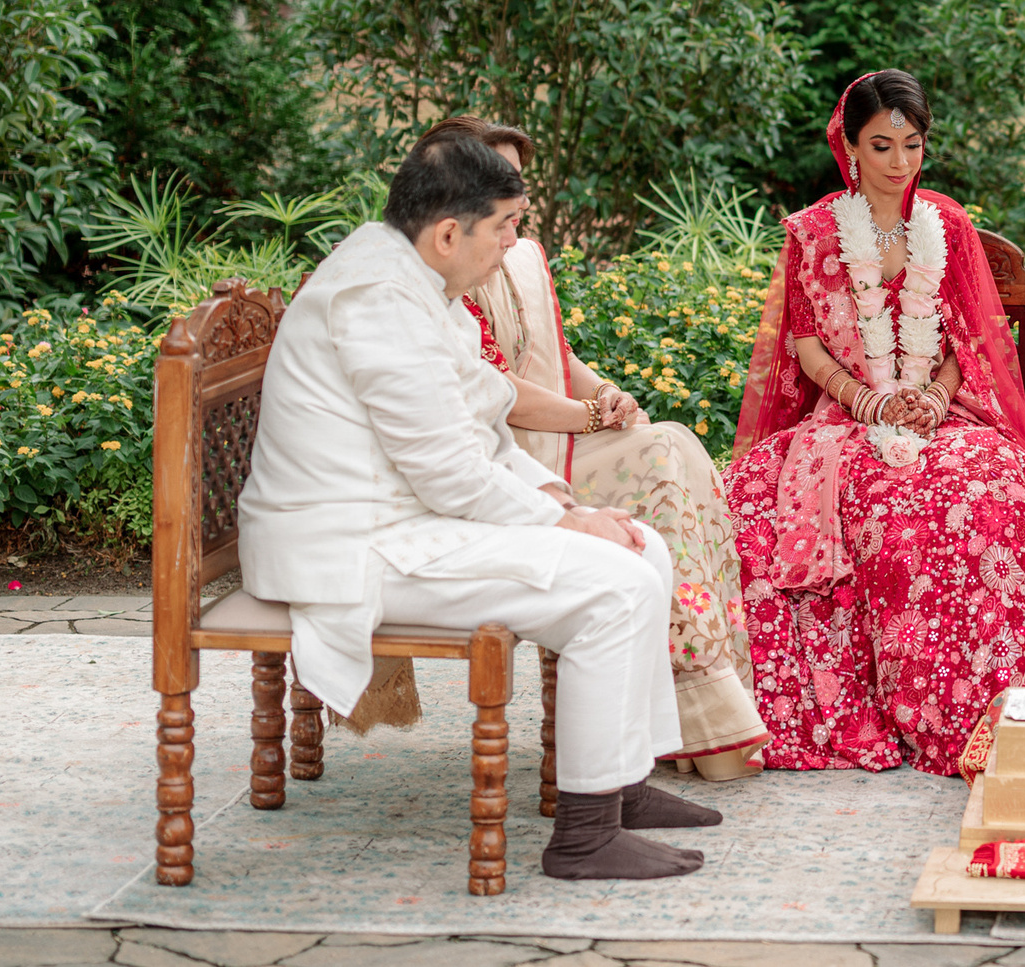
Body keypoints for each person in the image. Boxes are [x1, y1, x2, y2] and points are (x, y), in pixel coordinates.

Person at [237, 133, 717, 881]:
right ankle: (584, 837)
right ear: (449, 231)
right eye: (506, 226)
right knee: (616, 583)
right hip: (354, 544)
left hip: (402, 518)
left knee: (642, 549)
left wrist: (557, 497)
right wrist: (566, 522)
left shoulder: (413, 278)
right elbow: (448, 473)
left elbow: (482, 419)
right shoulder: (377, 298)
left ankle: (619, 784)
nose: (513, 245)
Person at [725, 69, 1025, 775]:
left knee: (995, 486)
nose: (898, 162)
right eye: (880, 145)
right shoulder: (817, 232)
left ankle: (1003, 702)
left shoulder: (945, 224)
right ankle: (894, 703)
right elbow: (804, 343)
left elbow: (968, 342)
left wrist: (937, 399)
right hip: (846, 417)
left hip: (943, 412)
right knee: (852, 497)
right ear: (848, 145)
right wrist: (869, 401)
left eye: (912, 144)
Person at [413, 116, 768, 783]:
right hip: (508, 454)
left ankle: (711, 711)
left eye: (515, 182)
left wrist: (608, 395)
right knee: (661, 459)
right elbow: (489, 389)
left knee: (675, 446)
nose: (508, 195)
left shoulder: (516, 253)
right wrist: (586, 417)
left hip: (551, 436)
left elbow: (556, 353)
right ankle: (689, 723)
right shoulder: (440, 269)